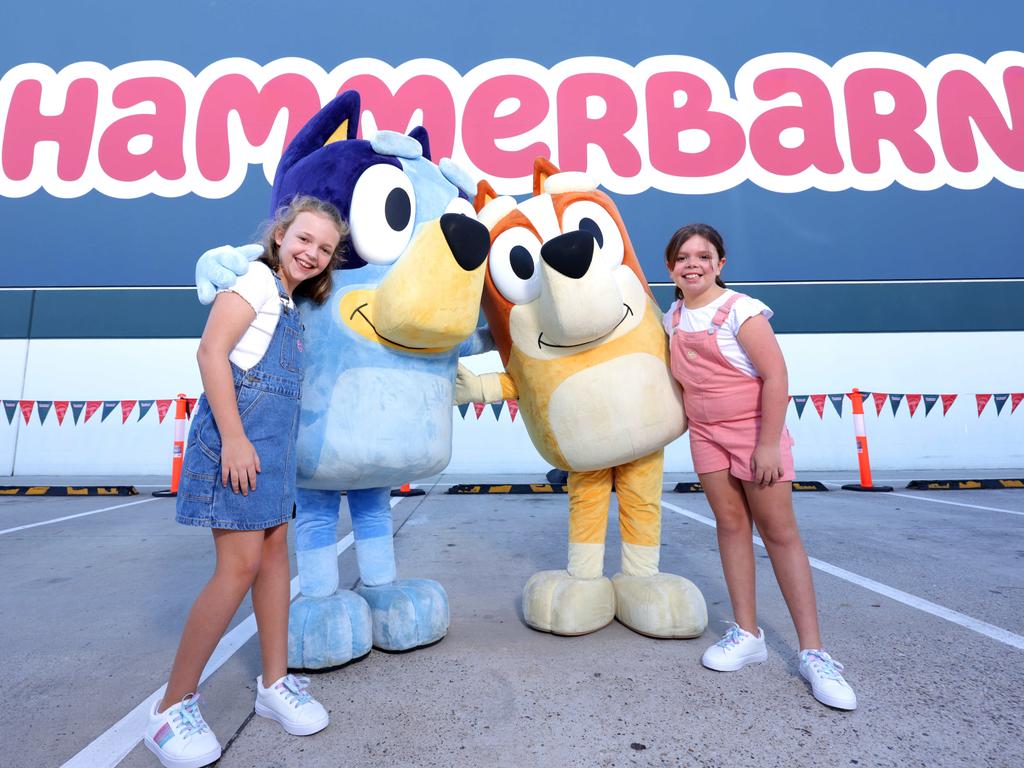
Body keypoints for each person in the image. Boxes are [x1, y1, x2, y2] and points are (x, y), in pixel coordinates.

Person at [144, 196, 348, 768]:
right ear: (280, 235)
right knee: (238, 568)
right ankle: (168, 709)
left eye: (325, 249)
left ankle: (273, 685)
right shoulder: (256, 282)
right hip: (238, 449)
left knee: (276, 555)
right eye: (304, 239)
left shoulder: (287, 301)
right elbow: (212, 353)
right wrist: (234, 439)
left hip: (271, 456)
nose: (312, 253)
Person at [663, 223, 857, 711]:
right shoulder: (674, 316)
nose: (693, 264)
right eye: (683, 257)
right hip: (705, 436)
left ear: (720, 264)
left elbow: (775, 376)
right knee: (729, 526)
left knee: (780, 534)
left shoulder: (742, 311)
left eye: (703, 256)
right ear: (671, 268)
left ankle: (815, 654)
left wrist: (768, 444)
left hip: (753, 434)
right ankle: (748, 635)